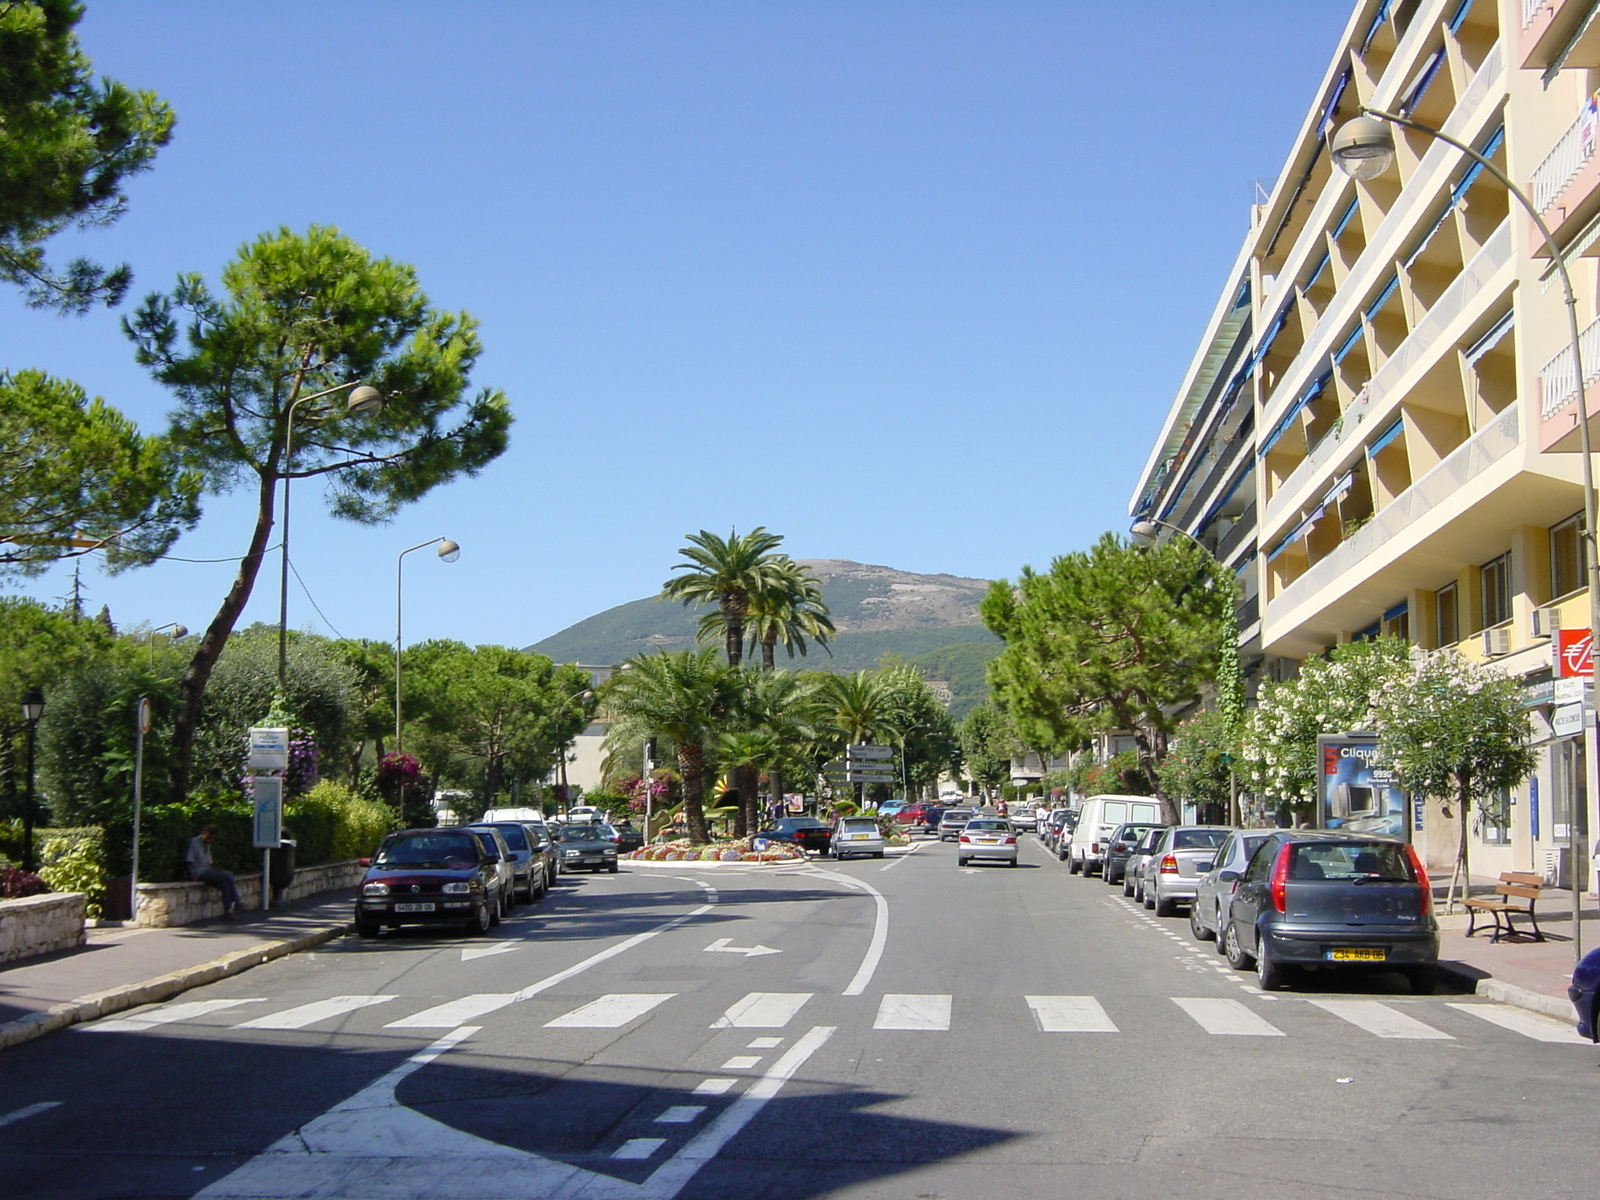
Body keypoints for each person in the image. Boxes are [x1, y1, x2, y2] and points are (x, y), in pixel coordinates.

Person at [186, 825, 244, 918]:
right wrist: (191, 874)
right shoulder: (194, 842)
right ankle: (237, 900)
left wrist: (216, 868)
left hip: (207, 870)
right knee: (228, 875)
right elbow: (188, 860)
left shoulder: (207, 844)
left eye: (212, 839)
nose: (210, 840)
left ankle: (227, 912)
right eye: (208, 838)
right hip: (198, 871)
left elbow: (208, 862)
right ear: (204, 834)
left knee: (226, 885)